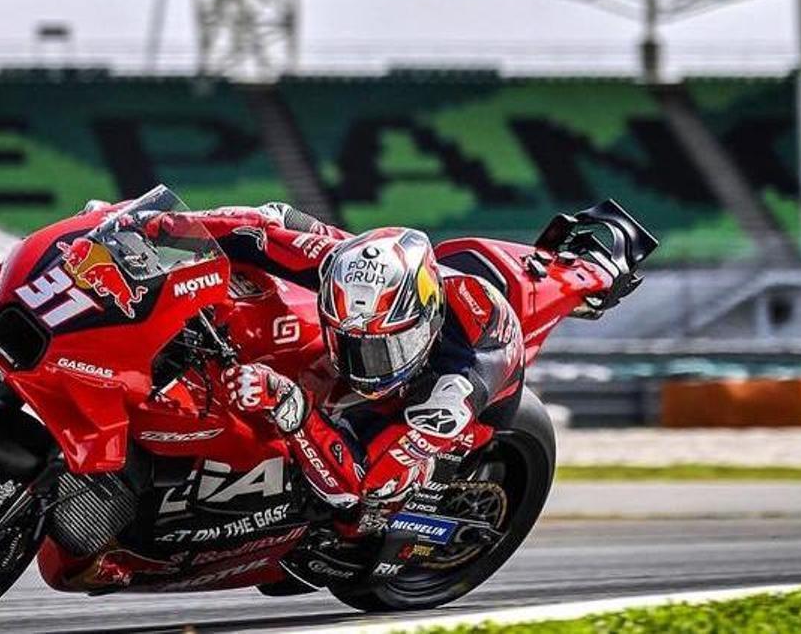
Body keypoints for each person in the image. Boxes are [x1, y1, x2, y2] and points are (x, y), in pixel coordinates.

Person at [147, 202, 525, 535]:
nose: (366, 366)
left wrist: (286, 401)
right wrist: (162, 224)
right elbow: (257, 230)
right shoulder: (337, 266)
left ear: (425, 322)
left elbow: (353, 483)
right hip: (378, 278)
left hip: (459, 397)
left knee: (364, 506)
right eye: (351, 344)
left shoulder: (453, 393)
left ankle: (390, 521)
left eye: (386, 349)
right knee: (276, 220)